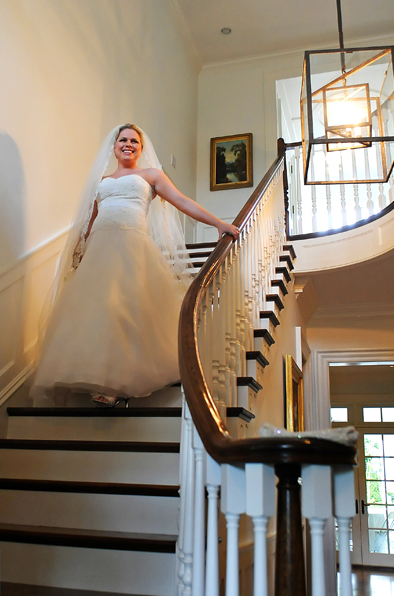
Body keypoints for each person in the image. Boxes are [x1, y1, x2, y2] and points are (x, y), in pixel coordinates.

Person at [32, 124, 239, 406]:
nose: (128, 144)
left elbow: (181, 201)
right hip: (100, 250)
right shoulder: (102, 182)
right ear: (114, 146)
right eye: (123, 140)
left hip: (132, 248)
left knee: (124, 307)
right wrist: (78, 255)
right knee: (99, 311)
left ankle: (115, 385)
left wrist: (218, 223)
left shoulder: (150, 175)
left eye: (134, 141)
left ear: (141, 148)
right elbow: (88, 222)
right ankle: (99, 379)